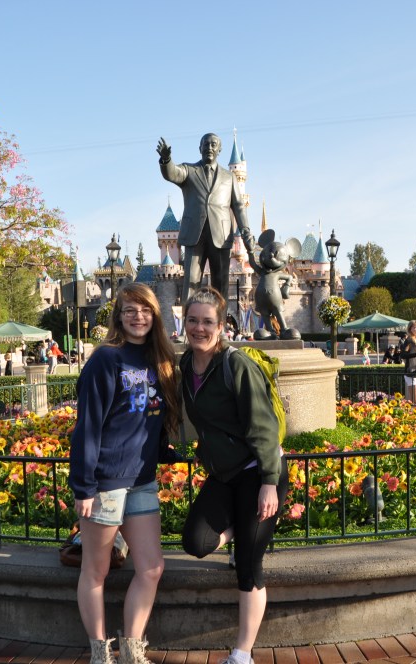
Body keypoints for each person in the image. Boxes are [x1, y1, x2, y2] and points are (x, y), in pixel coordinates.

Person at [69, 282, 181, 664]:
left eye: (145, 310)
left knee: (151, 567)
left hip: (142, 482)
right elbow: (88, 426)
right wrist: (83, 486)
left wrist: (165, 451)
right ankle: (101, 651)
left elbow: (151, 419)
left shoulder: (158, 359)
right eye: (130, 310)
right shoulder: (106, 359)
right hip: (105, 483)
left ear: (155, 315)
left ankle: (133, 649)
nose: (138, 317)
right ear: (119, 315)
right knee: (96, 571)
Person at [178, 287, 289, 664]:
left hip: (259, 472)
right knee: (195, 541)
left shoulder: (235, 364)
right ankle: (242, 531)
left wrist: (270, 483)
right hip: (225, 474)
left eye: (207, 321)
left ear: (222, 325)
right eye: (192, 320)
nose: (198, 328)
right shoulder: (185, 366)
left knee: (248, 564)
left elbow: (264, 427)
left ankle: (242, 653)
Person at [157, 134, 253, 305]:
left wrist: (245, 230)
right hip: (195, 234)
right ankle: (188, 327)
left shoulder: (229, 177)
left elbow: (238, 205)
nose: (209, 147)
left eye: (213, 144)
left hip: (222, 236)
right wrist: (166, 159)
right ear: (200, 148)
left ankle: (220, 327)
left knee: (220, 285)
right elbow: (172, 173)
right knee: (191, 284)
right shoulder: (189, 170)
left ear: (219, 149)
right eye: (206, 144)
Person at [399, 322, 416, 406]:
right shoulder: (409, 341)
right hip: (411, 372)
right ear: (410, 329)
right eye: (415, 328)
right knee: (415, 400)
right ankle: (409, 414)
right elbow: (403, 355)